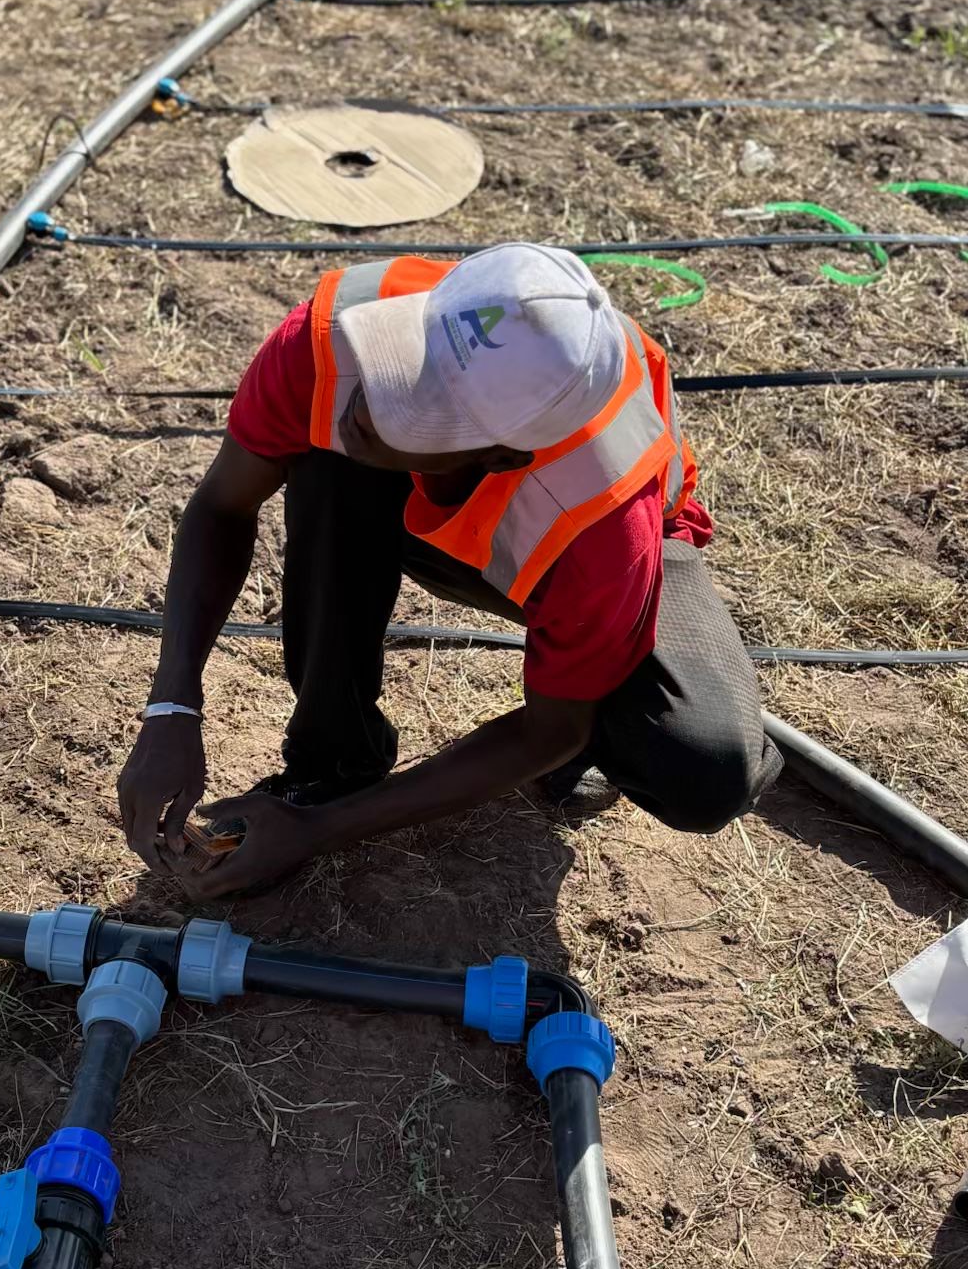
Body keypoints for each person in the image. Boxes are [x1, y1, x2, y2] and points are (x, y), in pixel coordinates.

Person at [118, 243, 781, 897]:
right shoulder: (334, 331)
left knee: (704, 771)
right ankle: (334, 759)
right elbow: (222, 504)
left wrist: (313, 832)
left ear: (496, 456)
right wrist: (172, 706)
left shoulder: (602, 524)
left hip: (594, 556)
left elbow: (551, 731)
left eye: (417, 414)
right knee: (331, 454)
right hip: (467, 511)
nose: (373, 403)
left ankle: (602, 676)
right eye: (398, 361)